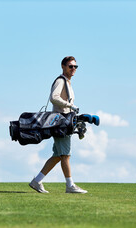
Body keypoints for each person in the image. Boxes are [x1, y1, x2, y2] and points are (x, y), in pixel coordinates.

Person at [29, 56, 87, 194]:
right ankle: (70, 185)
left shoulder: (67, 82)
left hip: (63, 122)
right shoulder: (61, 81)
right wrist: (70, 106)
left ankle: (36, 181)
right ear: (63, 66)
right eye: (70, 66)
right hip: (60, 123)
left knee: (58, 155)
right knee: (65, 155)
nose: (73, 69)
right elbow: (54, 97)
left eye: (75, 67)